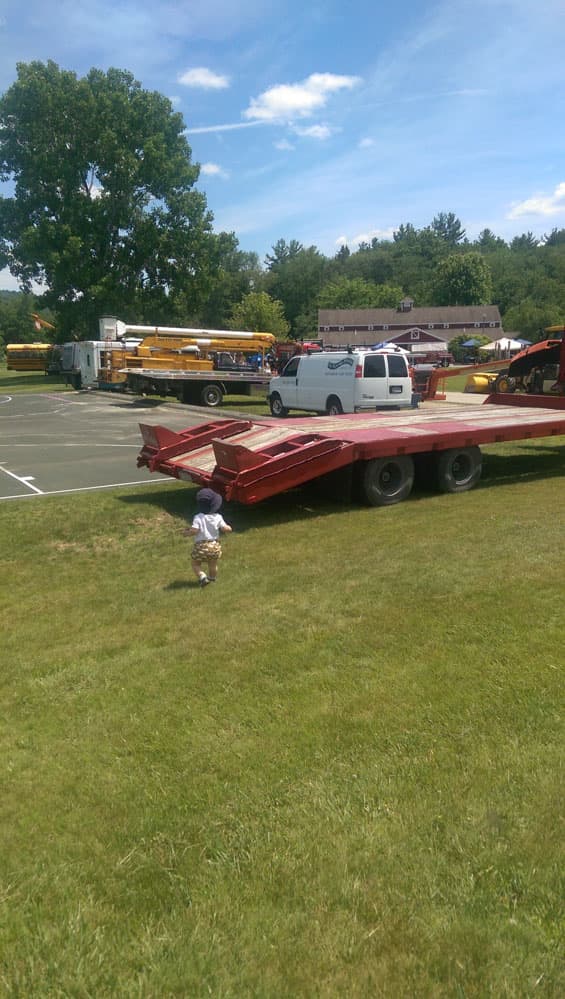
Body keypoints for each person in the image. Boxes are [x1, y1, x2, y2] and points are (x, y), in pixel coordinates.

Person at [184, 487, 232, 587]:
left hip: (201, 546)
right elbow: (224, 528)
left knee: (195, 564)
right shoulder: (218, 517)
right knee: (213, 564)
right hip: (214, 546)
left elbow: (195, 530)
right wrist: (229, 528)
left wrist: (187, 532)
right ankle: (212, 579)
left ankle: (202, 576)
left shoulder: (198, 517)